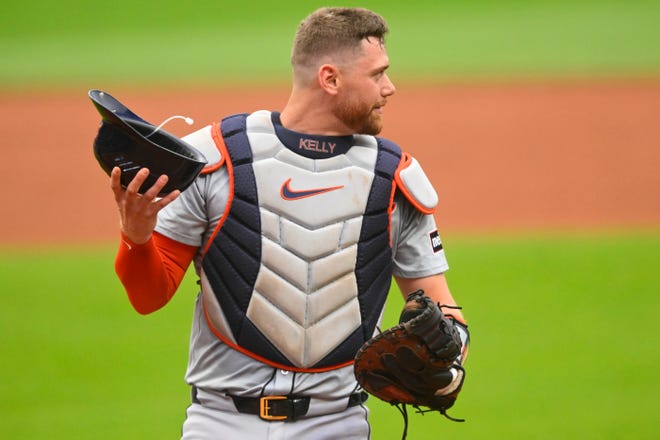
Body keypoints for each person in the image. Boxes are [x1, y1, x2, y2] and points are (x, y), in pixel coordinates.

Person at [110, 7, 468, 439]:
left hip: (340, 424)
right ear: (330, 79)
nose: (389, 88)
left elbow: (443, 309)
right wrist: (137, 237)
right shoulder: (214, 160)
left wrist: (452, 359)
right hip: (220, 424)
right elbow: (148, 296)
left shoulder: (393, 179)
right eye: (377, 74)